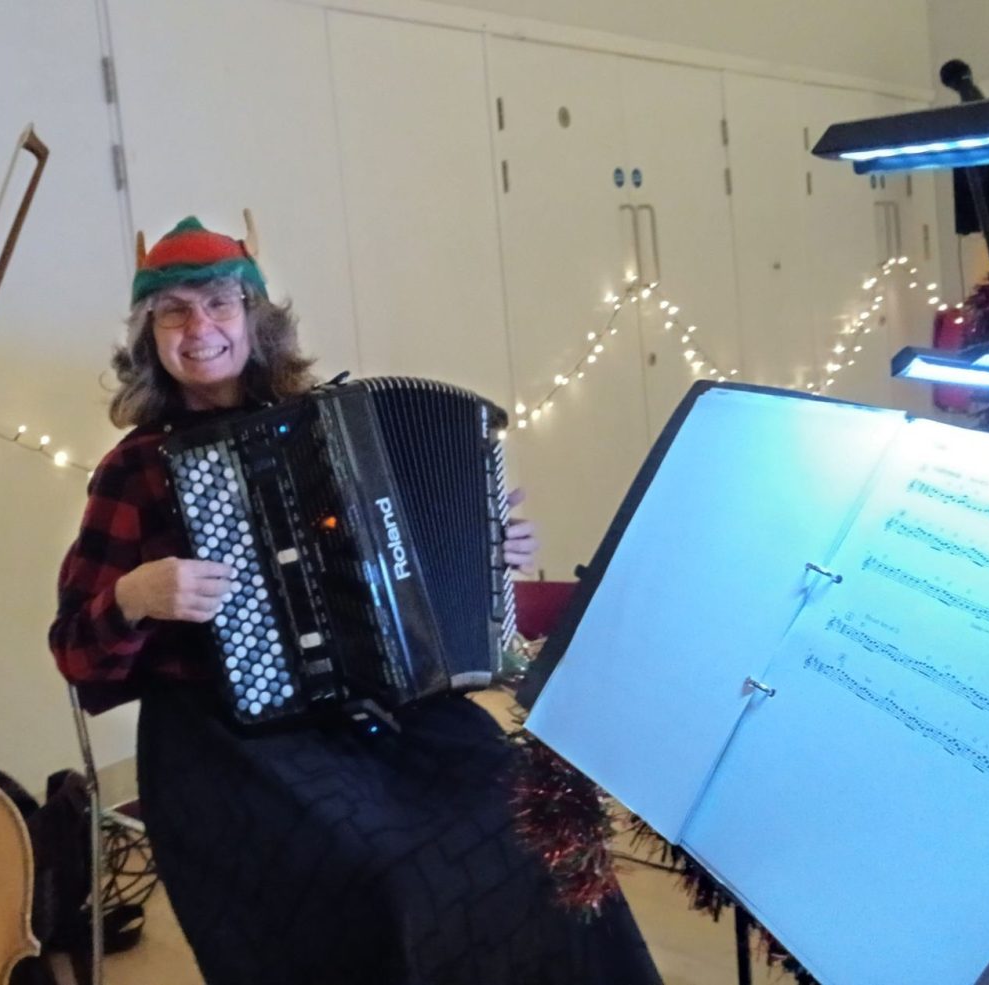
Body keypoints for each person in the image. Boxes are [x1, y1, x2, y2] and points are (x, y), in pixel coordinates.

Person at [49, 215, 662, 984]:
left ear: (253, 319)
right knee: (381, 876)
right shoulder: (132, 469)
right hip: (225, 737)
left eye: (218, 304)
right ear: (150, 339)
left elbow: (400, 571)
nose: (198, 327)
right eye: (173, 311)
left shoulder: (330, 427)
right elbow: (77, 652)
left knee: (530, 821)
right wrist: (135, 596)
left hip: (378, 711)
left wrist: (484, 548)